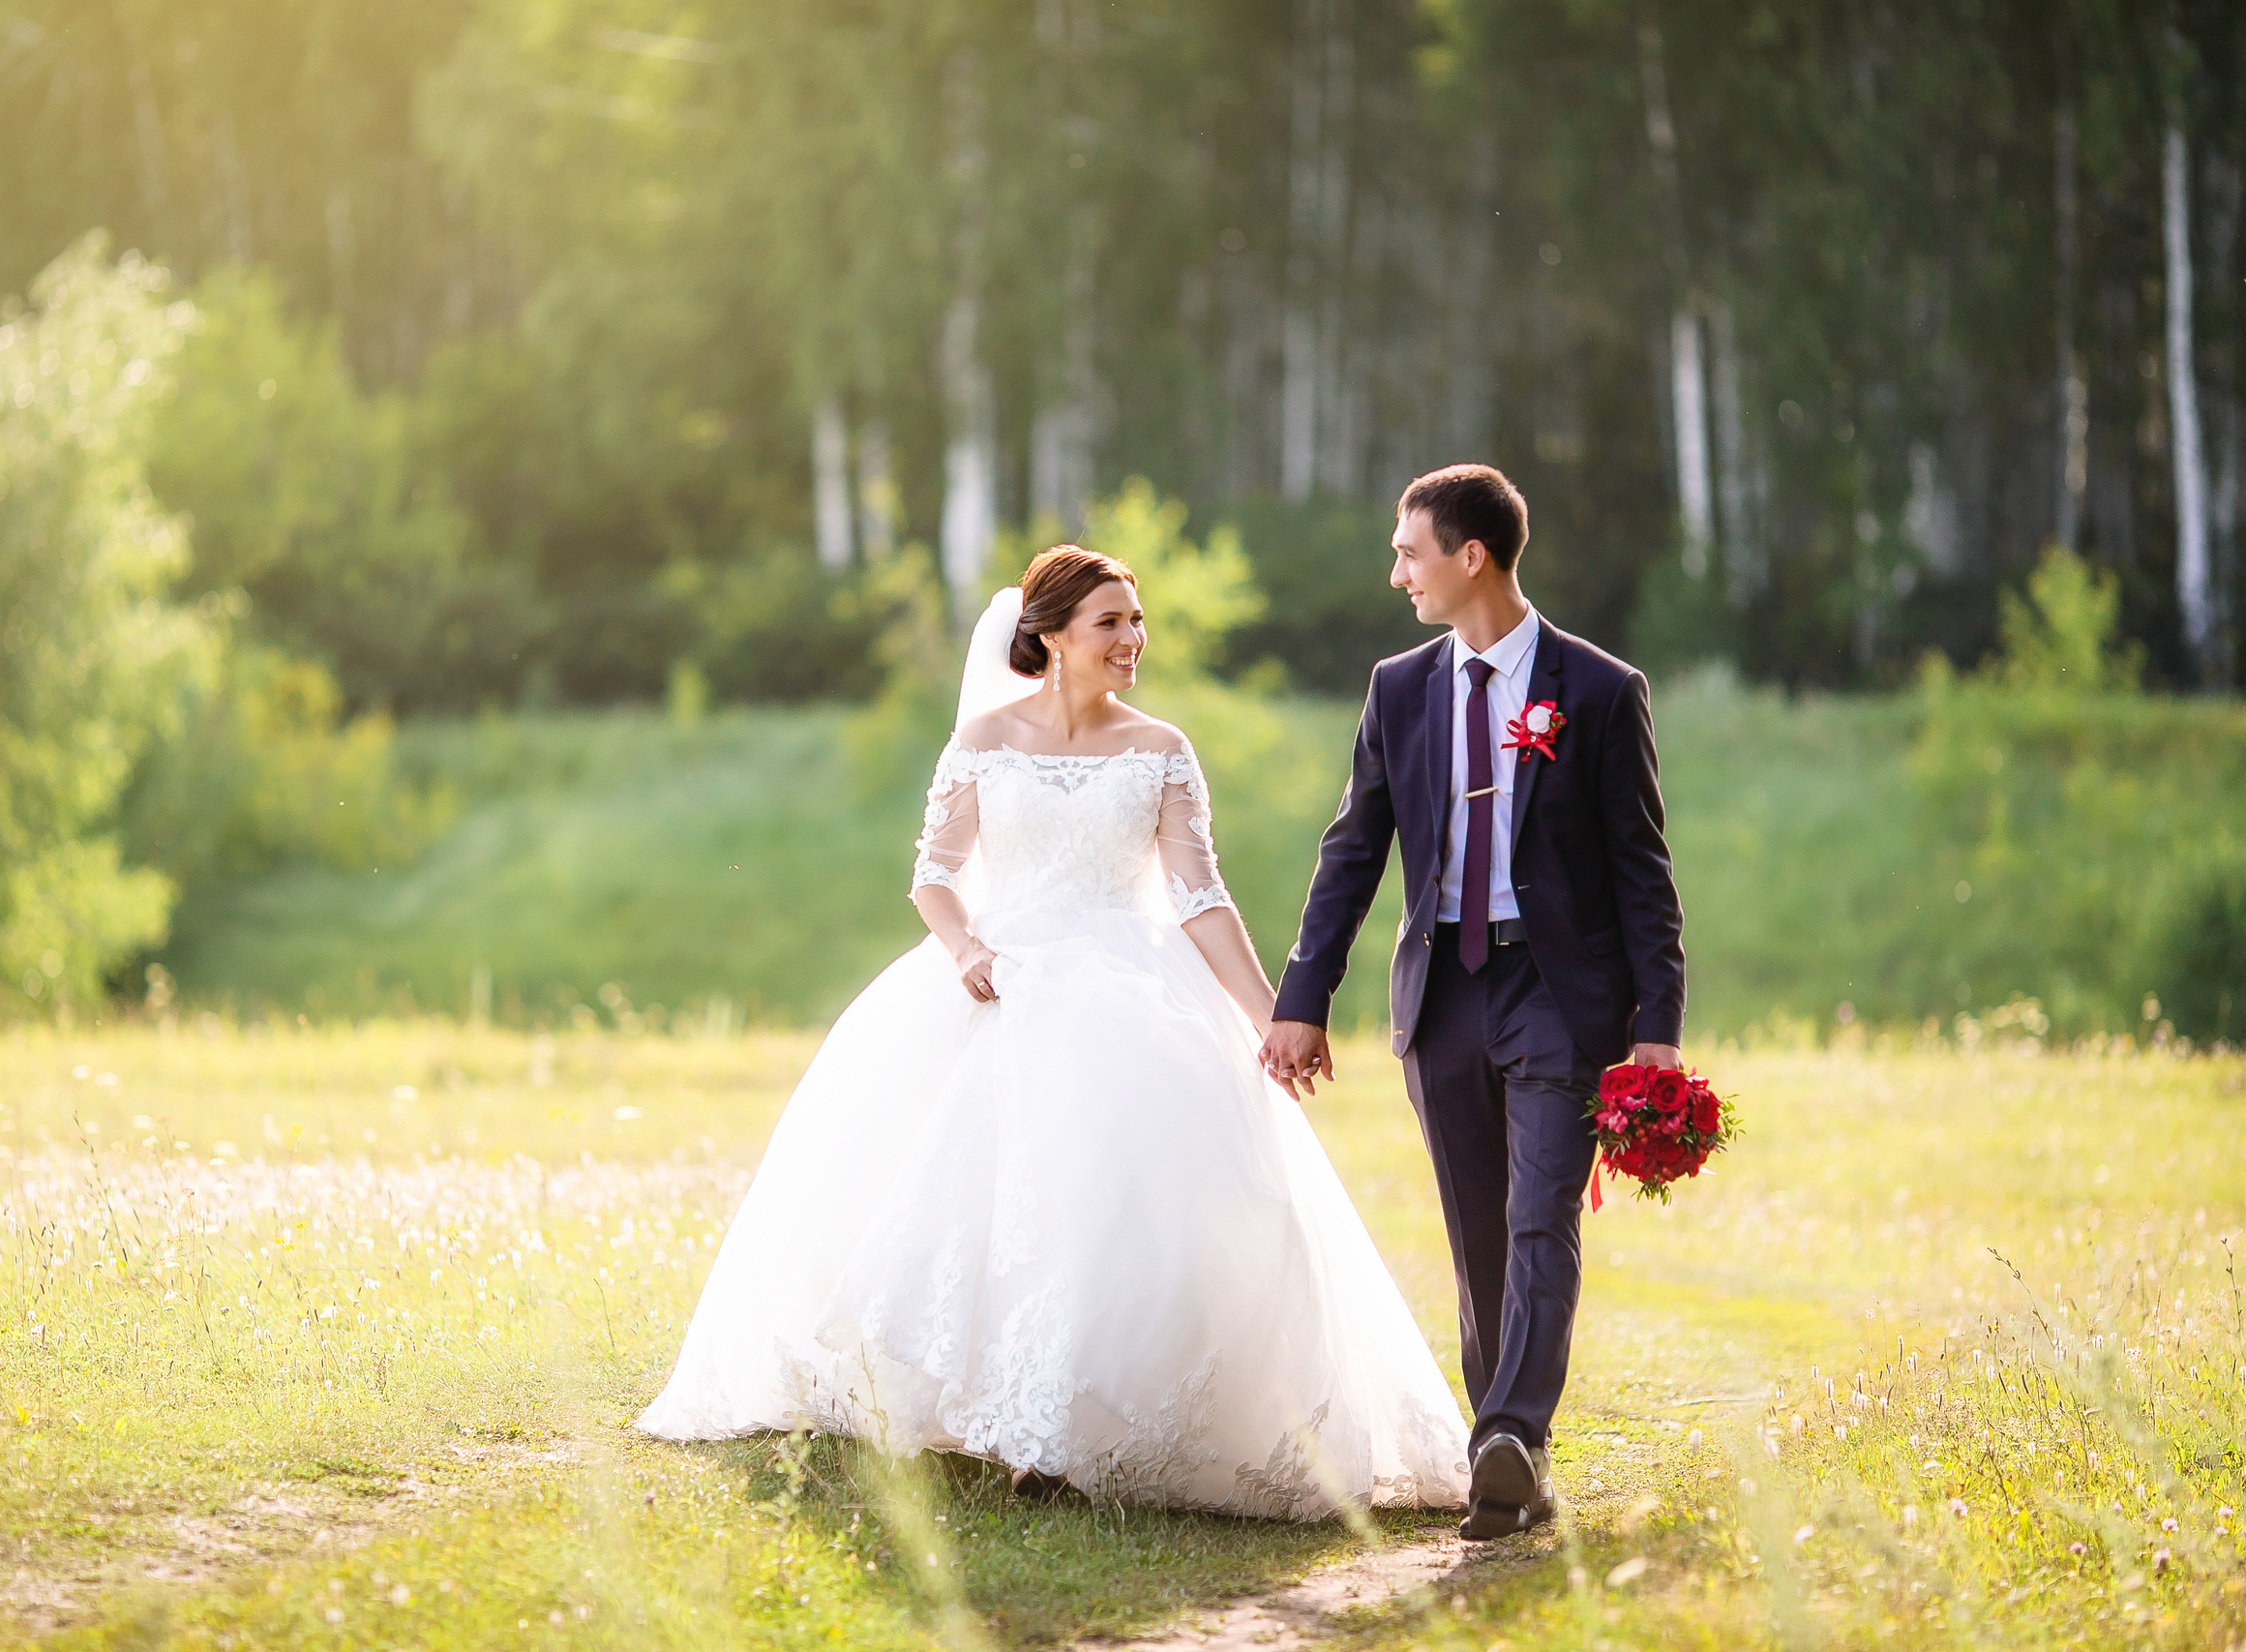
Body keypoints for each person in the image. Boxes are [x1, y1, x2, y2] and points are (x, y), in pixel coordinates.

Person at [637, 545, 1471, 1518]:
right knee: (984, 1201)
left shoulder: (1160, 748)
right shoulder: (984, 740)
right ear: (1050, 636)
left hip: (1130, 984)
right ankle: (993, 1409)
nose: (1133, 639)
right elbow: (934, 875)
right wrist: (963, 952)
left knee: (1111, 1200)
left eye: (1137, 619)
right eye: (1110, 622)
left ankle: (1070, 1431)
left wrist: (1275, 1018)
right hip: (1002, 981)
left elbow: (1200, 898)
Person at [1259, 464, 1687, 1541]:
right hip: (1441, 992)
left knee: (1540, 1215)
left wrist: (1655, 1037)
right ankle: (1512, 1449)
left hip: (1559, 996)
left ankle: (1507, 1440)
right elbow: (1351, 851)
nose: (1396, 572)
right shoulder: (1398, 688)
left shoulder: (1597, 691)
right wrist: (1301, 997)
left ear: (1470, 557)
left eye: (1409, 552)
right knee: (1477, 1234)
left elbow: (1644, 878)